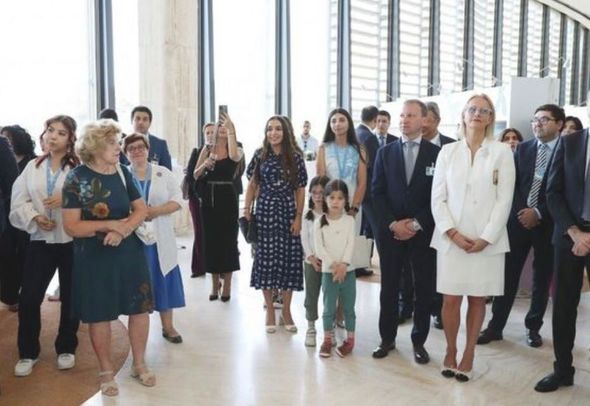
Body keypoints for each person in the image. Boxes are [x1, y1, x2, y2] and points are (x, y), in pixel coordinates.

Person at [62, 119, 155, 396]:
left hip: (129, 251)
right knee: (99, 313)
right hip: (93, 256)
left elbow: (141, 210)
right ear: (95, 146)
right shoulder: (76, 178)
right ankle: (105, 370)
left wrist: (122, 230)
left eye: (118, 141)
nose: (119, 147)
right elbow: (72, 226)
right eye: (112, 142)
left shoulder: (123, 172)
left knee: (139, 308)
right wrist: (108, 225)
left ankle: (139, 363)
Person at [430, 94, 515, 382]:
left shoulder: (502, 152)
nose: (477, 114)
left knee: (478, 299)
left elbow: (504, 200)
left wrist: (487, 237)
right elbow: (437, 198)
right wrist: (451, 232)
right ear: (463, 115)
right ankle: (451, 349)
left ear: (490, 118)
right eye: (472, 109)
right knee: (450, 299)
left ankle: (469, 352)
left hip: (486, 241)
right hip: (451, 238)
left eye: (484, 110)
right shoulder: (447, 151)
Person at [478, 104, 563, 348]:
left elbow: (565, 192)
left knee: (541, 278)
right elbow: (510, 185)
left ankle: (533, 327)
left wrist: (538, 212)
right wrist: (523, 212)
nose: (538, 124)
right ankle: (495, 327)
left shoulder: (567, 151)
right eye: (535, 120)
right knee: (507, 275)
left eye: (544, 120)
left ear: (559, 124)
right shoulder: (523, 150)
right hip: (518, 222)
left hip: (549, 224)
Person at [9, 115, 80, 377]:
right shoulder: (32, 167)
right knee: (29, 297)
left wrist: (68, 197)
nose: (53, 136)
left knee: (71, 297)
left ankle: (66, 347)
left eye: (61, 133)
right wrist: (35, 217)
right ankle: (28, 352)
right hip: (41, 241)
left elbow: (93, 201)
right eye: (50, 130)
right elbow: (19, 202)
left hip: (72, 240)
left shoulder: (79, 168)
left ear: (70, 139)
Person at [371, 99, 439, 365]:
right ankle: (386, 338)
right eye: (401, 116)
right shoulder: (385, 153)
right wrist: (393, 224)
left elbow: (439, 197)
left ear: (424, 120)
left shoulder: (437, 154)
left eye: (410, 115)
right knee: (389, 287)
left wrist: (416, 224)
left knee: (423, 288)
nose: (404, 120)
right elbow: (377, 193)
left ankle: (419, 341)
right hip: (391, 233)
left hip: (422, 234)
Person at [534, 91, 590, 393]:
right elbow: (552, 193)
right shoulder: (570, 143)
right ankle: (562, 370)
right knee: (564, 307)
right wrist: (575, 232)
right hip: (568, 236)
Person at [244, 115, 308, 333]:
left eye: (278, 128)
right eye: (269, 129)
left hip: (288, 211)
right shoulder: (260, 155)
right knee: (266, 260)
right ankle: (270, 310)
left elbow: (300, 189)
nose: (273, 133)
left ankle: (287, 311)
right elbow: (252, 184)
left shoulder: (295, 157)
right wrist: (246, 209)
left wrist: (298, 217)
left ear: (286, 132)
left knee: (289, 260)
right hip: (265, 212)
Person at [124, 133, 185, 343]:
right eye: (131, 148)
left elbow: (178, 199)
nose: (137, 151)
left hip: (160, 237)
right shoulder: (122, 175)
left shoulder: (163, 173)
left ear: (148, 149)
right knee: (137, 285)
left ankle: (168, 327)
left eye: (140, 147)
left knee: (163, 279)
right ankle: (138, 334)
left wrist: (156, 211)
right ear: (126, 153)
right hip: (134, 239)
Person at [193, 113, 243, 301]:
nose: (220, 129)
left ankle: (227, 283)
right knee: (211, 241)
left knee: (229, 241)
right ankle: (215, 284)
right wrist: (204, 165)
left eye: (223, 127)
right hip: (209, 198)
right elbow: (195, 175)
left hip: (227, 196)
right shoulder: (206, 149)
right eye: (217, 127)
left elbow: (234, 157)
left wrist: (231, 129)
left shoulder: (235, 148)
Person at [317, 108, 368, 278]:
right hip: (330, 205)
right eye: (333, 121)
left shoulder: (359, 149)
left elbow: (362, 182)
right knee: (330, 246)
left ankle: (347, 289)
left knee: (349, 247)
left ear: (349, 123)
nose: (337, 124)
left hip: (352, 205)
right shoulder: (323, 148)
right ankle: (331, 288)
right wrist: (325, 207)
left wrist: (354, 208)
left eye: (341, 120)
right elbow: (321, 180)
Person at [421, 101, 456, 330]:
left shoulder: (452, 147)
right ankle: (410, 305)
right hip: (417, 218)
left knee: (439, 267)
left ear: (438, 121)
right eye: (421, 118)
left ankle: (438, 310)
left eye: (428, 119)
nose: (423, 124)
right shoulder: (410, 145)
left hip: (444, 218)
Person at [315, 179, 357, 358]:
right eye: (331, 197)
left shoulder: (349, 221)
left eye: (340, 198)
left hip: (348, 272)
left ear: (346, 200)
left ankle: (350, 341)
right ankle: (327, 340)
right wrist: (334, 266)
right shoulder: (319, 222)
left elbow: (351, 244)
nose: (335, 201)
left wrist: (344, 265)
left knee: (349, 308)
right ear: (325, 199)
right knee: (328, 308)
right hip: (329, 273)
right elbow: (319, 249)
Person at [0, 125, 36, 311]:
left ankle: (11, 295)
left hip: (10, 214)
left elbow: (11, 185)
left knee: (10, 255)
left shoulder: (2, 145)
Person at [301, 175, 330, 347]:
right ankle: (311, 327)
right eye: (314, 192)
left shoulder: (332, 214)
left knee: (330, 296)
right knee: (311, 295)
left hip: (329, 263)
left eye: (322, 192)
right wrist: (311, 258)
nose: (318, 196)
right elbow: (304, 238)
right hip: (311, 262)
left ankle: (329, 330)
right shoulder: (307, 214)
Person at [184, 123, 215, 278]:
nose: (210, 135)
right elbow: (191, 175)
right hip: (197, 197)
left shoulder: (223, 151)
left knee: (215, 233)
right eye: (207, 132)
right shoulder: (197, 152)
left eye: (212, 132)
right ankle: (198, 267)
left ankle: (217, 267)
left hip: (216, 197)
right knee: (199, 232)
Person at [350, 106, 376, 278]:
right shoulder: (370, 138)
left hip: (354, 189)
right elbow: (374, 166)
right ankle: (360, 264)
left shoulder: (355, 134)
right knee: (364, 230)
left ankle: (356, 264)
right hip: (366, 191)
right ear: (374, 120)